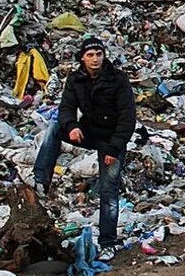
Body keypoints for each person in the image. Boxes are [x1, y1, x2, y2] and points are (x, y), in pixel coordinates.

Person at [33, 36, 136, 261]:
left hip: (111, 141)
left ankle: (108, 244)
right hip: (89, 133)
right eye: (90, 55)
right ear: (82, 58)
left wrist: (114, 149)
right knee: (53, 128)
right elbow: (66, 108)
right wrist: (71, 126)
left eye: (99, 54)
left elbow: (128, 118)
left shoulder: (117, 79)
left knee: (109, 193)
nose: (95, 59)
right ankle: (41, 180)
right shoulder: (76, 79)